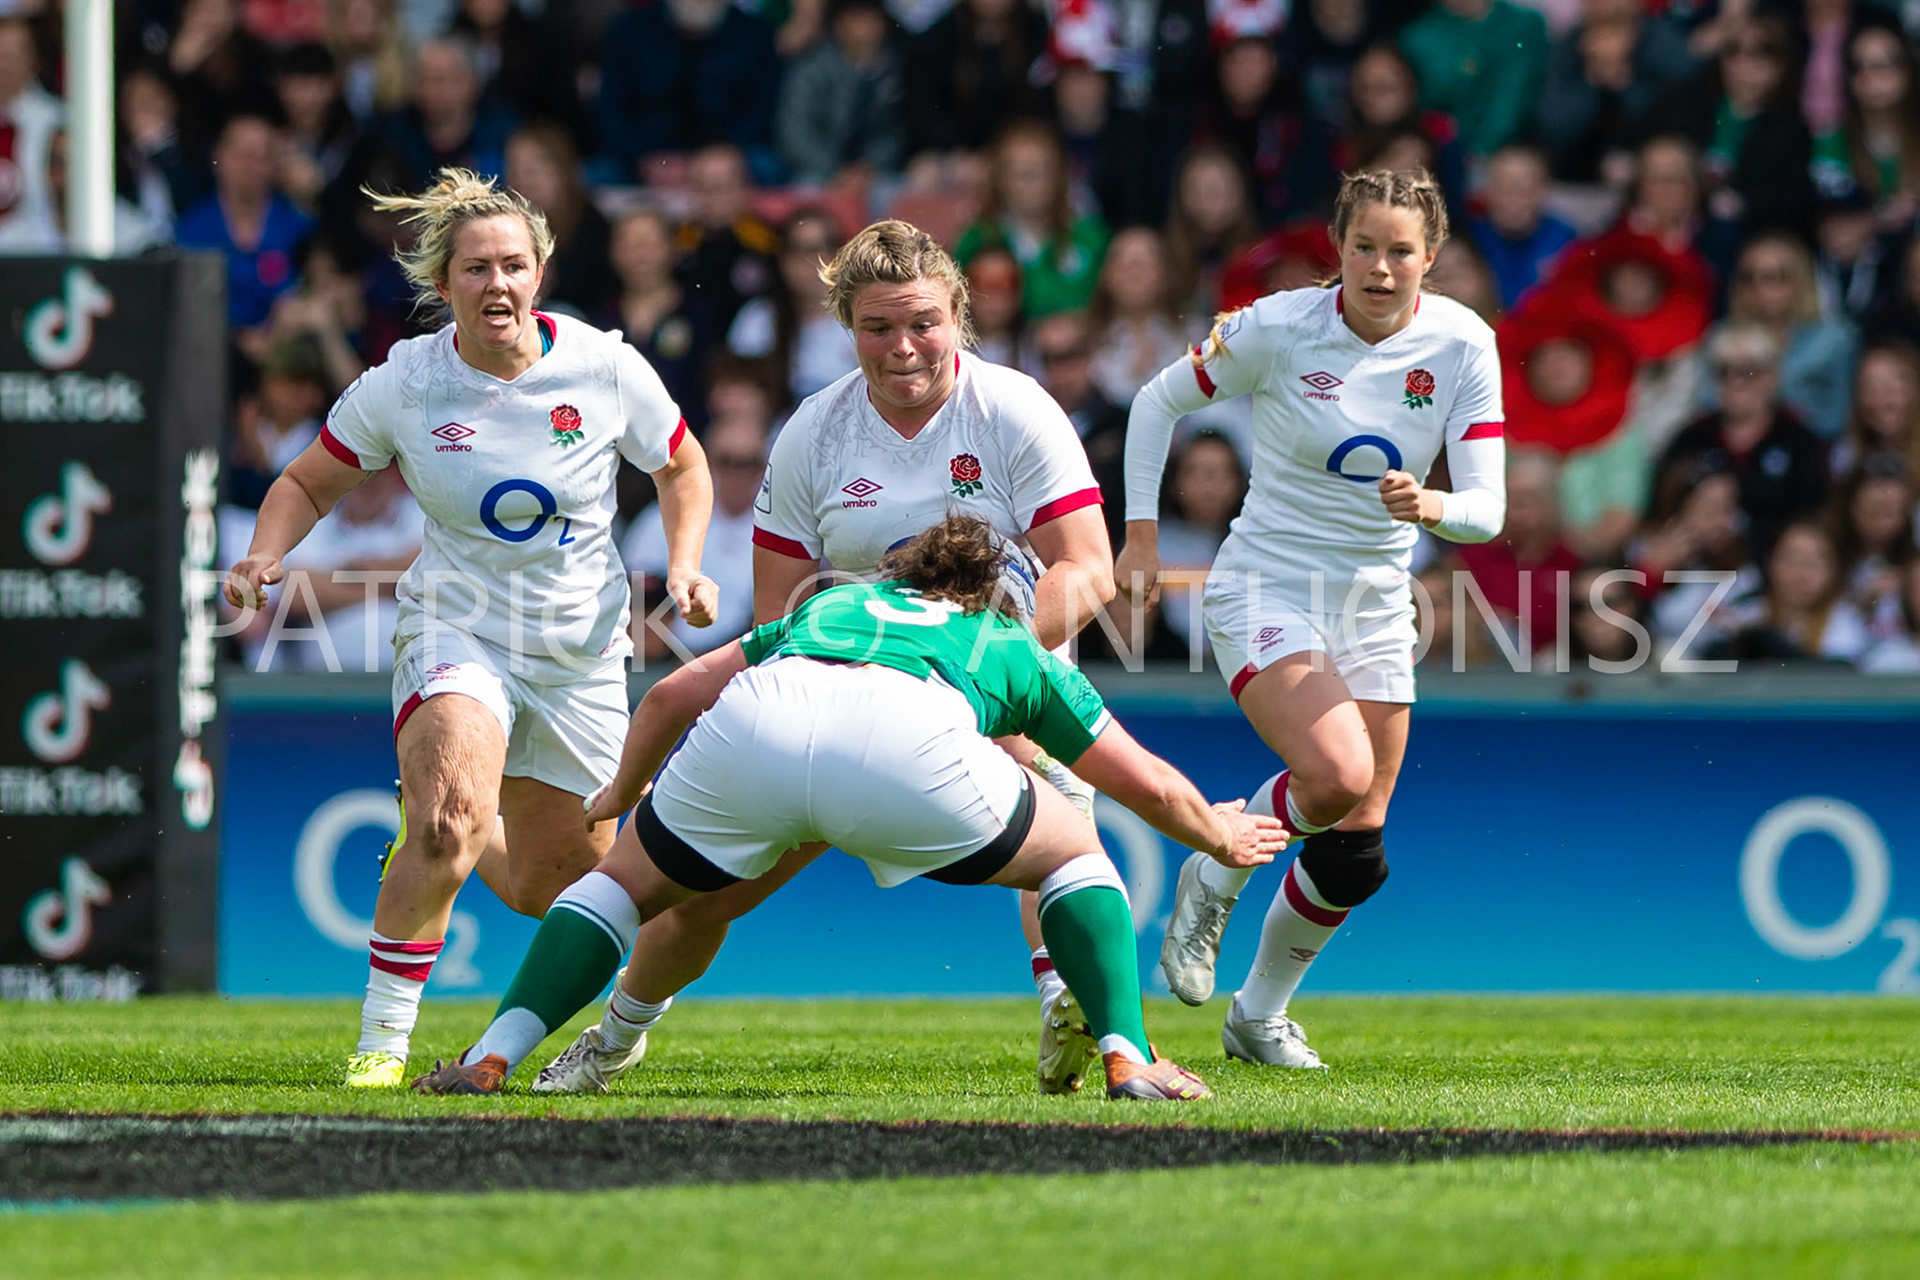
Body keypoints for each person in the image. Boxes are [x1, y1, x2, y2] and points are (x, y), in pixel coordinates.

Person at [410, 516, 1286, 1100]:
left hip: (760, 723)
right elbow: (1150, 785)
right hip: (909, 743)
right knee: (1075, 854)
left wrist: (623, 791)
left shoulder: (830, 603)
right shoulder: (1007, 641)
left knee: (622, 886)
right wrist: (1220, 832)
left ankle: (491, 1057)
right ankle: (1128, 1056)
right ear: (1001, 593)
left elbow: (675, 692)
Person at [582, 219, 1121, 1095]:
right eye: (877, 328)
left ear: (958, 315)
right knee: (708, 891)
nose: (904, 348)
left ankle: (1070, 1007)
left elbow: (1089, 570)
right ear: (847, 327)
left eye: (922, 323)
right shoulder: (813, 434)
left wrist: (986, 666)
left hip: (998, 677)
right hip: (838, 688)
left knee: (1064, 816)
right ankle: (614, 1033)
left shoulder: (1016, 408)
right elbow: (778, 613)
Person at [222, 169, 718, 1088]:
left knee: (555, 889)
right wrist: (265, 553)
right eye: (477, 268)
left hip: (580, 652)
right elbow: (305, 483)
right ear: (443, 283)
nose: (498, 284)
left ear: (541, 274)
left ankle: (443, 814)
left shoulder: (605, 366)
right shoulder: (407, 382)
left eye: (515, 266)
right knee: (449, 824)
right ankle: (381, 1045)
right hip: (459, 628)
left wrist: (685, 565)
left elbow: (683, 466)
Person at [1117, 168, 1507, 1068]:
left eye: (1400, 250)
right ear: (1338, 249)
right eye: (1363, 246)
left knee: (1355, 851)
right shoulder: (1278, 327)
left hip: (1374, 601)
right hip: (1266, 585)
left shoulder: (1463, 345)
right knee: (1333, 775)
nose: (1380, 267)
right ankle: (1215, 864)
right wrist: (1139, 541)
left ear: (1431, 258)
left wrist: (1434, 507)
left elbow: (1488, 508)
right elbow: (1155, 403)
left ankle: (1257, 1018)